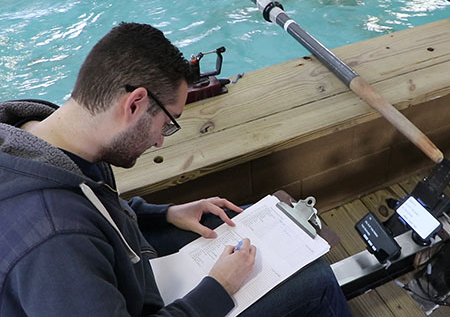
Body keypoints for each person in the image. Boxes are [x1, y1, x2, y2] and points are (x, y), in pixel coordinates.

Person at [0, 22, 351, 316]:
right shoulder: (54, 240)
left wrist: (161, 214)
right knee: (315, 278)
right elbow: (75, 228)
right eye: (168, 123)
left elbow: (94, 206)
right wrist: (218, 289)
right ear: (135, 103)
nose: (160, 142)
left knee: (233, 223)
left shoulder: (40, 134)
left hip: (128, 268)